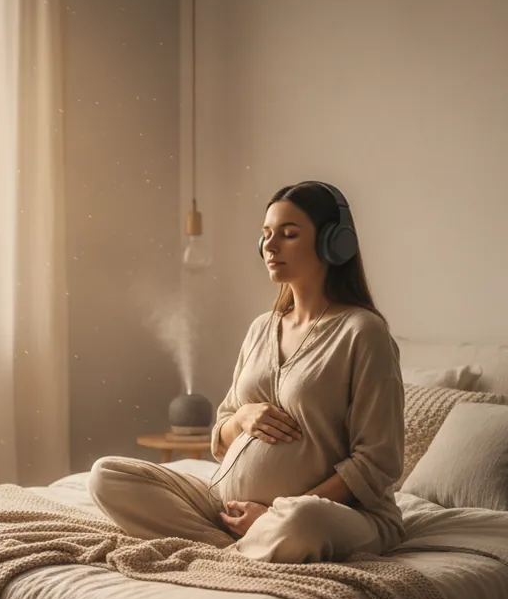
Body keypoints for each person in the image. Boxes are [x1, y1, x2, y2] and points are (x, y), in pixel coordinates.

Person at [89, 180, 406, 563]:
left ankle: (258, 538)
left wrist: (275, 514)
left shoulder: (363, 332)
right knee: (106, 475)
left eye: (289, 234)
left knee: (303, 522)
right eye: (266, 235)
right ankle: (234, 546)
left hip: (331, 513)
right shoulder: (261, 327)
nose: (270, 247)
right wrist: (241, 418)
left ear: (333, 243)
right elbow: (220, 438)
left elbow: (377, 462)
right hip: (227, 504)